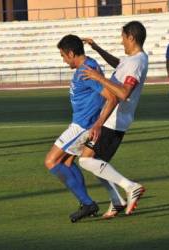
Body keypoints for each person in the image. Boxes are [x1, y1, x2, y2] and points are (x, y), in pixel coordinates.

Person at [44, 34, 119, 223]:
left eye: (63, 56)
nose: (63, 60)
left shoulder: (86, 70)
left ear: (71, 53)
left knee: (51, 161)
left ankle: (87, 203)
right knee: (67, 163)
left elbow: (111, 97)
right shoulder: (89, 65)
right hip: (81, 122)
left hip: (82, 125)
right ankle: (86, 204)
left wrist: (98, 123)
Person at [79, 20, 148, 216]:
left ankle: (131, 186)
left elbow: (124, 93)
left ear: (131, 37)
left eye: (123, 38)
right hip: (111, 119)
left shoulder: (136, 62)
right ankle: (116, 201)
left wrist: (97, 77)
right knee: (98, 164)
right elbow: (119, 64)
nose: (122, 42)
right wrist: (97, 48)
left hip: (114, 120)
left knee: (86, 161)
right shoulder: (132, 59)